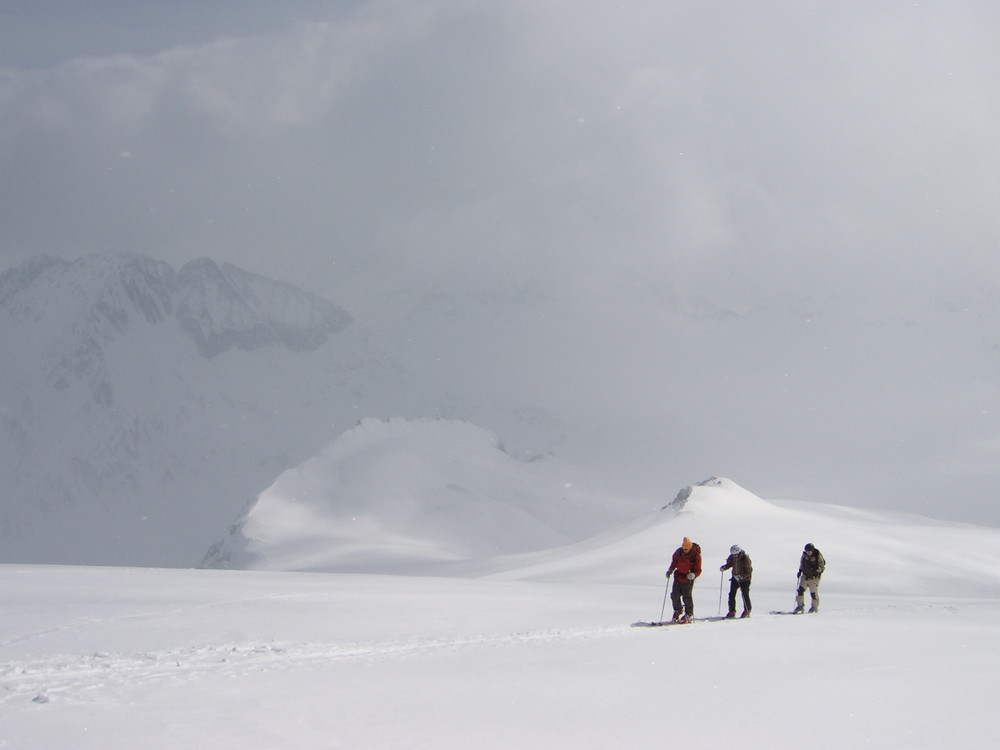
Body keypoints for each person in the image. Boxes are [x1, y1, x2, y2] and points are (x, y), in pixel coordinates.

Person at [665, 537, 702, 622]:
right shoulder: (678, 552)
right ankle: (677, 610)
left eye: (686, 549)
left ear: (690, 547)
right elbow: (674, 562)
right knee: (674, 595)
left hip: (688, 578)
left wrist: (694, 575)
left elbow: (698, 570)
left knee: (687, 597)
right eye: (683, 549)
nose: (684, 550)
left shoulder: (696, 555)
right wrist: (670, 570)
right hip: (678, 576)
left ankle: (689, 614)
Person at [720, 544, 752, 618]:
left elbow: (748, 571)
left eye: (736, 554)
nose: (734, 556)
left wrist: (741, 577)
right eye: (733, 554)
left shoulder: (745, 558)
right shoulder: (732, 557)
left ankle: (747, 609)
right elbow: (729, 564)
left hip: (745, 579)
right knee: (731, 594)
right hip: (735, 578)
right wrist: (724, 567)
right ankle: (732, 611)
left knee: (744, 594)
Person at [793, 542, 826, 613]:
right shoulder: (804, 555)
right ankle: (800, 606)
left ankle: (814, 607)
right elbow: (802, 563)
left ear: (812, 551)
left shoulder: (818, 556)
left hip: (814, 577)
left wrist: (817, 570)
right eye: (807, 551)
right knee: (800, 590)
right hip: (805, 575)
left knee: (813, 593)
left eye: (809, 551)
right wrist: (800, 571)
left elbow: (822, 566)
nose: (808, 553)